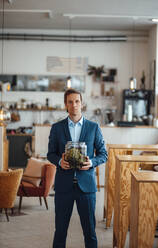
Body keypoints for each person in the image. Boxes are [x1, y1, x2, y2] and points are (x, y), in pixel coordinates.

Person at [47, 88, 107, 248]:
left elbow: (103, 154)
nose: (74, 105)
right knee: (60, 231)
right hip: (63, 187)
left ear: (82, 103)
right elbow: (50, 153)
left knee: (90, 232)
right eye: (70, 102)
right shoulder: (57, 128)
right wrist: (60, 161)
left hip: (86, 188)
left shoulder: (94, 127)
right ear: (66, 105)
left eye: (77, 101)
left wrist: (91, 163)